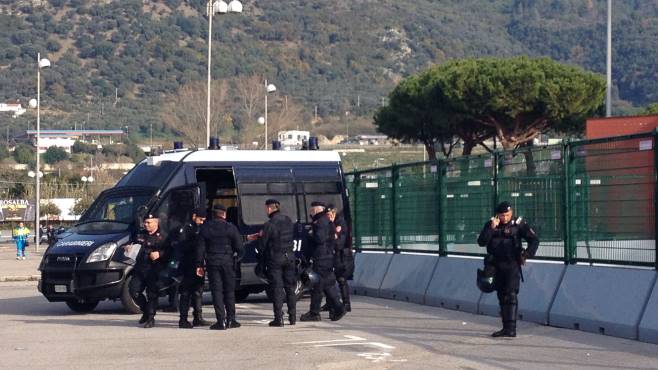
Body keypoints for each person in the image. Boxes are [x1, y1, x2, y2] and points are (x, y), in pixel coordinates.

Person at [477, 201, 539, 338]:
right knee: (500, 295)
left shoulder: (518, 224)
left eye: (507, 215)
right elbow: (481, 242)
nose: (505, 218)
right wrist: (491, 228)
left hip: (511, 263)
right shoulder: (491, 224)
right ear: (497, 215)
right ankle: (505, 328)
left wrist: (527, 254)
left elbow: (534, 240)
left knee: (510, 294)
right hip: (495, 264)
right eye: (502, 215)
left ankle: (511, 329)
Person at [248, 199, 296, 327]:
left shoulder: (269, 224)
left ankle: (278, 318)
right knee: (290, 288)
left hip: (276, 259)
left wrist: (261, 239)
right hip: (290, 257)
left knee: (277, 288)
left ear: (269, 208)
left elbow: (262, 245)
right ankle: (292, 317)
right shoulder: (288, 220)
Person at [196, 204, 244, 330]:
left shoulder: (205, 228)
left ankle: (220, 321)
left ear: (213, 214)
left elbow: (200, 249)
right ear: (224, 214)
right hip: (228, 263)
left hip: (212, 263)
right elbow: (240, 248)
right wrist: (235, 259)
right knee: (229, 291)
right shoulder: (231, 228)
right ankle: (231, 320)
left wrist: (199, 265)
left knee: (216, 292)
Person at [299, 202, 345, 322]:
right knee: (327, 285)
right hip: (327, 257)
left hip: (321, 259)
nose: (310, 213)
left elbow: (319, 238)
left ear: (315, 211)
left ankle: (315, 313)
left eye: (311, 211)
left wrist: (310, 234)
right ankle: (338, 307)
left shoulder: (320, 223)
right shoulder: (327, 221)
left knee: (317, 286)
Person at [128, 214, 171, 328]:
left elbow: (170, 252)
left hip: (154, 269)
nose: (146, 224)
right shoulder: (140, 234)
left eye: (149, 222)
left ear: (156, 223)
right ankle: (146, 311)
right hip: (140, 268)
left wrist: (160, 254)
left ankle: (151, 318)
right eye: (145, 222)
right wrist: (127, 247)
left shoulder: (163, 236)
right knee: (134, 291)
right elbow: (131, 243)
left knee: (152, 294)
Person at [174, 207, 210, 328]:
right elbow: (181, 246)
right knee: (186, 293)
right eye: (200, 219)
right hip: (187, 265)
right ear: (194, 216)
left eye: (204, 220)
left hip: (198, 264)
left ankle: (198, 317)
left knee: (198, 292)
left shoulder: (201, 228)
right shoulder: (186, 228)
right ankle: (183, 319)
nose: (202, 222)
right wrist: (198, 242)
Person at [327, 204, 353, 312]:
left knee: (341, 279)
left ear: (333, 213)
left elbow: (338, 242)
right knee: (329, 280)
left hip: (341, 255)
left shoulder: (340, 223)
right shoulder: (330, 223)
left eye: (329, 214)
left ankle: (346, 303)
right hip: (332, 254)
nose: (327, 217)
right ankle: (330, 303)